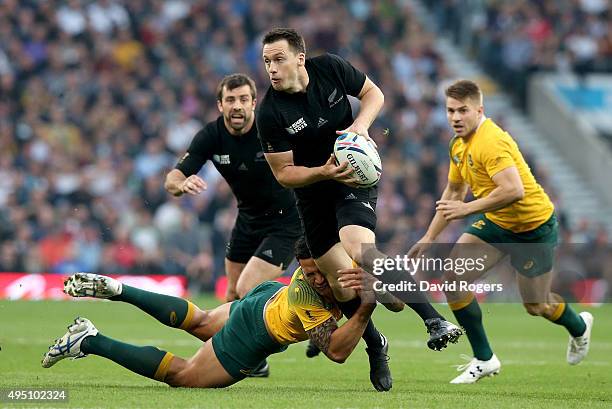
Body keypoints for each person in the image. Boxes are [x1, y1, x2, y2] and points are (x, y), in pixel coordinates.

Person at [256, 27, 462, 350]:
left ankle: (433, 319)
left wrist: (360, 126)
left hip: (353, 178)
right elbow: (283, 174)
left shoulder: (330, 68)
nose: (271, 68)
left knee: (360, 248)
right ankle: (376, 345)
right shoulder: (269, 112)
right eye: (267, 61)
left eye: (278, 59)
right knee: (341, 284)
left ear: (300, 58)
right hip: (312, 195)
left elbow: (374, 94)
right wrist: (322, 170)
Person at [408, 79, 594, 384]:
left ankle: (578, 326)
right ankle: (485, 358)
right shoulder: (458, 144)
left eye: (462, 110)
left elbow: (514, 190)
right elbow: (454, 191)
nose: (455, 117)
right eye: (450, 110)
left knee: (537, 305)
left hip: (532, 228)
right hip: (497, 223)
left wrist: (467, 210)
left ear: (479, 110)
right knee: (453, 277)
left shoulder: (491, 141)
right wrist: (430, 237)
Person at [42, 238, 400, 391]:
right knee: (184, 376)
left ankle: (120, 290)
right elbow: (336, 352)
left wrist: (382, 282)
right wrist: (368, 302)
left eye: (320, 270)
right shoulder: (306, 289)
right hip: (257, 332)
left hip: (264, 297)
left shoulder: (344, 259)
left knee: (198, 320)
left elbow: (397, 299)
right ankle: (90, 340)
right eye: (308, 272)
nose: (317, 278)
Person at [164, 73, 301, 304]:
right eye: (230, 100)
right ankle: (231, 340)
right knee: (231, 295)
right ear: (220, 104)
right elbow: (172, 179)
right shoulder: (211, 136)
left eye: (243, 99)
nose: (237, 106)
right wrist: (181, 183)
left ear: (253, 103)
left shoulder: (271, 127)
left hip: (286, 222)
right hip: (247, 222)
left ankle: (291, 319)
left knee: (247, 288)